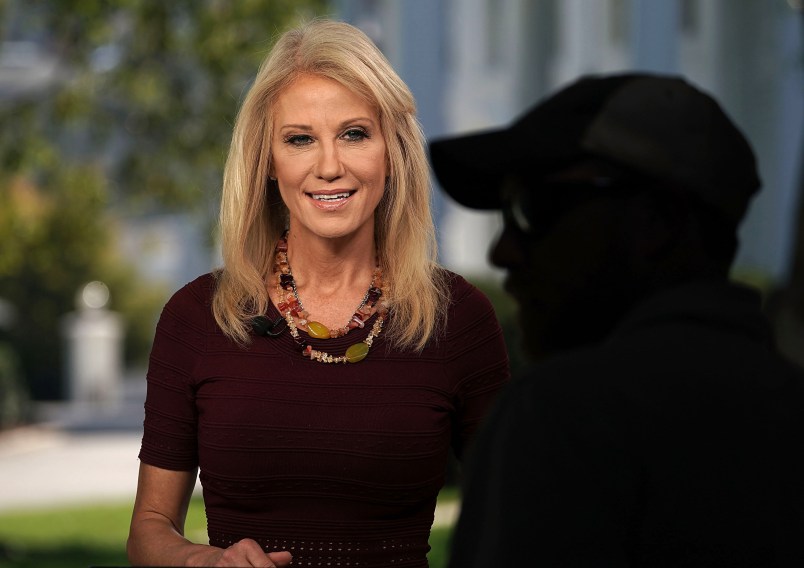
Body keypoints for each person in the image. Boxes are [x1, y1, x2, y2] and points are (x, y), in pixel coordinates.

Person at [126, 19, 509, 568]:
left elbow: (516, 515)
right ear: (267, 162)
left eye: (354, 133)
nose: (329, 167)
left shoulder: (458, 318)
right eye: (300, 139)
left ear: (391, 152)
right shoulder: (197, 317)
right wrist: (201, 561)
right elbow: (149, 529)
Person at [429, 73, 804, 567]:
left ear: (656, 221)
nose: (503, 251)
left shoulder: (563, 413)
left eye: (535, 208)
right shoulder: (784, 405)